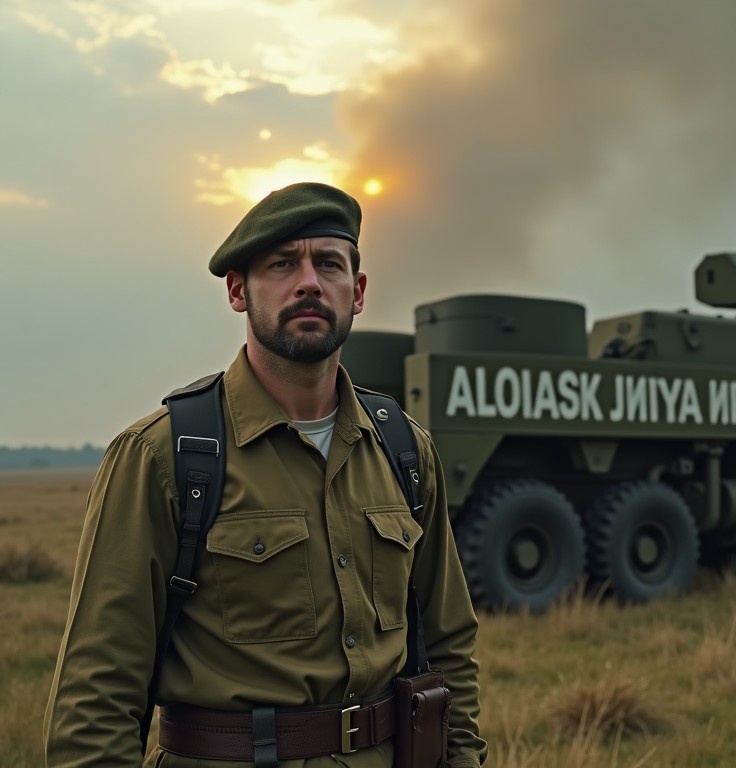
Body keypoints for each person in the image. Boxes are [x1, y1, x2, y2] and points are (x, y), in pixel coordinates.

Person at [44, 182, 488, 768]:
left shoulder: (404, 450)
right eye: (282, 264)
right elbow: (95, 695)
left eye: (328, 263)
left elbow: (449, 646)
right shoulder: (165, 455)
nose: (308, 281)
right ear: (237, 290)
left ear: (356, 293)